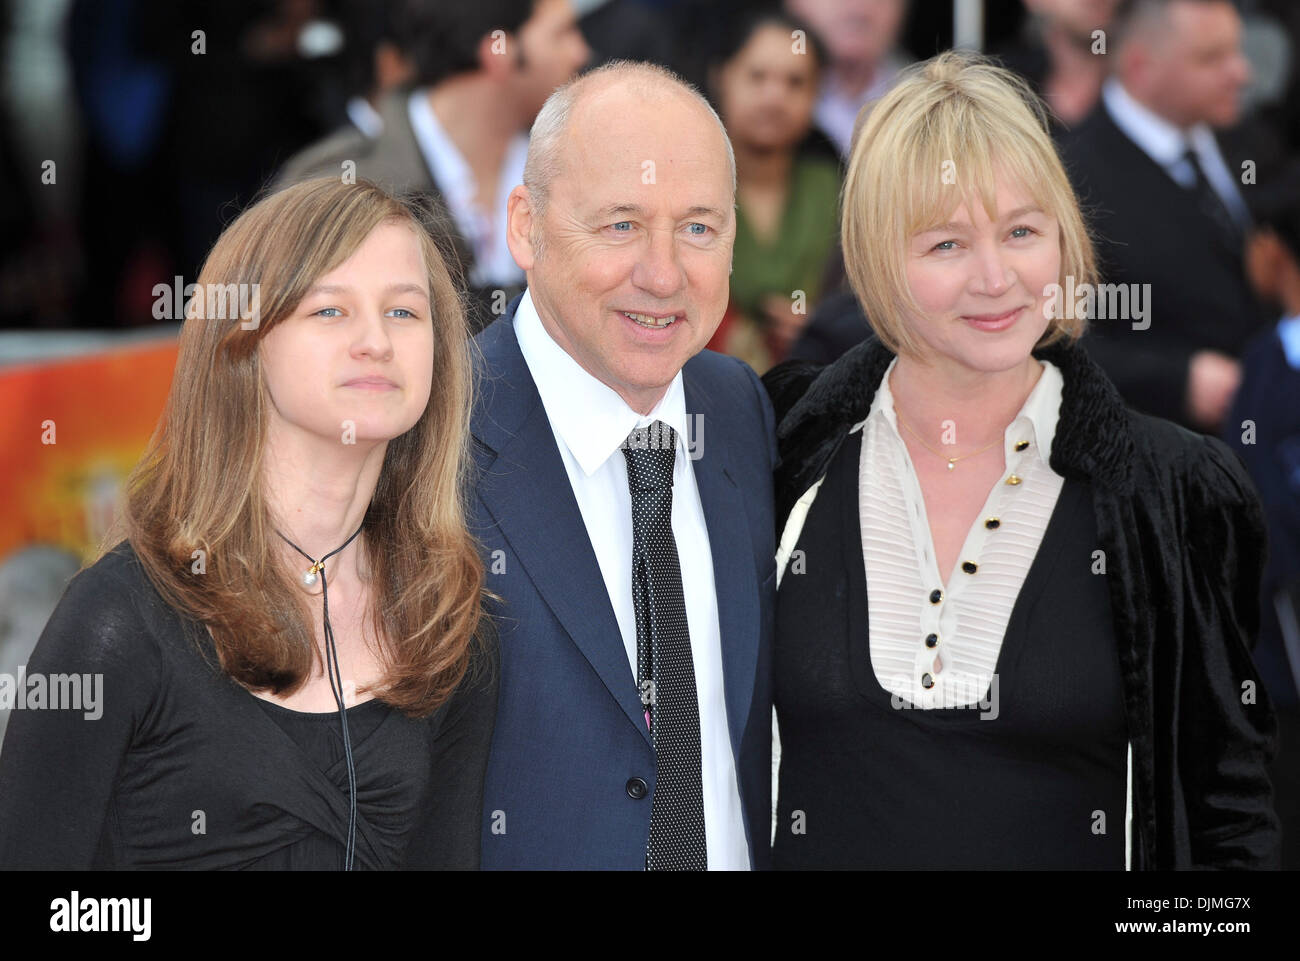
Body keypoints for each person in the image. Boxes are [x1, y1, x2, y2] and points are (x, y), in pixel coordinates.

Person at [764, 51, 1279, 869]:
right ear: (874, 260)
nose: (996, 277)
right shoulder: (782, 453)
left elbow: (1235, 817)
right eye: (946, 243)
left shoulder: (1176, 491)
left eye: (1022, 231)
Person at [0, 178, 496, 870]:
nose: (376, 342)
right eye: (330, 309)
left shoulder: (443, 619)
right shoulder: (119, 619)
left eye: (404, 313)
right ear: (244, 344)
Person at [473, 60, 777, 870]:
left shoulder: (736, 408)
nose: (664, 274)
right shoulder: (436, 436)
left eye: (700, 228)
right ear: (526, 226)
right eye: (620, 226)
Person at [276, 0, 589, 332]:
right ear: (498, 52)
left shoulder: (578, 174)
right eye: (561, 34)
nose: (580, 52)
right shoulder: (336, 185)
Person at [1058, 0, 1267, 432]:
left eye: (1236, 51)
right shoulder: (1072, 179)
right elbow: (1057, 334)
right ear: (1141, 67)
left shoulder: (1253, 144)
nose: (1241, 73)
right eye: (1212, 58)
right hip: (1163, 457)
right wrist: (1178, 379)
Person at [706, 10, 841, 374]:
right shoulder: (685, 188)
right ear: (721, 78)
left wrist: (824, 327)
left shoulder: (841, 193)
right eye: (757, 76)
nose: (774, 97)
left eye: (795, 82)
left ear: (816, 94)